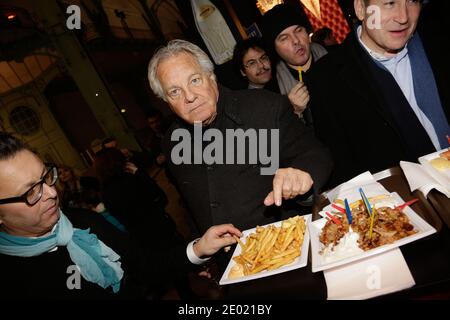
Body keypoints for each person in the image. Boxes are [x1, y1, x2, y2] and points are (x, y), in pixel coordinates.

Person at [0, 132, 241, 299]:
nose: (52, 193)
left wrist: (198, 248)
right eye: (32, 191)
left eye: (47, 177)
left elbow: (143, 264)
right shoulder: (12, 280)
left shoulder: (82, 220)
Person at [147, 39, 333, 236]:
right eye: (175, 91)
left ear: (211, 77)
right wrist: (202, 255)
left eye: (194, 80)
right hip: (228, 263)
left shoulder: (265, 107)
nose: (189, 97)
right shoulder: (172, 141)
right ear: (166, 101)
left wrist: (301, 174)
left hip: (290, 248)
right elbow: (190, 204)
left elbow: (316, 154)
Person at [307, 0, 450, 187]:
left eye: (412, 1)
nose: (403, 17)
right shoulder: (326, 79)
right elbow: (343, 172)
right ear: (360, 8)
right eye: (389, 3)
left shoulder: (440, 41)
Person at [261, 3, 328, 122]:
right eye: (284, 38)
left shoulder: (335, 59)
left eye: (298, 30)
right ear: (274, 48)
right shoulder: (273, 91)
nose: (296, 40)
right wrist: (293, 112)